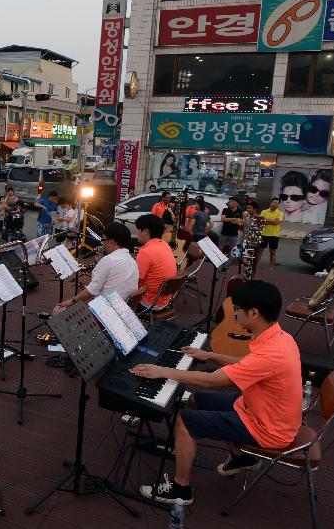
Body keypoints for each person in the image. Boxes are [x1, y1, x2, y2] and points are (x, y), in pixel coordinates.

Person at [132, 280, 301, 505]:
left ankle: (181, 490)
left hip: (268, 428)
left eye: (237, 311)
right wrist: (210, 356)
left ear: (254, 312)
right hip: (260, 410)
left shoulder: (270, 354)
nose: (234, 316)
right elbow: (247, 363)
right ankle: (241, 457)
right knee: (194, 400)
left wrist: (162, 371)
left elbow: (213, 381)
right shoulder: (281, 338)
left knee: (184, 420)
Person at [52, 223, 139, 314]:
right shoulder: (132, 261)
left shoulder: (109, 260)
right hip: (122, 310)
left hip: (105, 313)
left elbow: (90, 291)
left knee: (57, 311)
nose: (102, 243)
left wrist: (71, 301)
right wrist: (100, 264)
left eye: (103, 239)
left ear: (111, 242)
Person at [135, 214, 177, 312]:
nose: (137, 233)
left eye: (138, 229)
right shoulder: (165, 245)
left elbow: (135, 279)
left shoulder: (146, 252)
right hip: (164, 301)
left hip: (148, 303)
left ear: (146, 231)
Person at [255, 198, 284, 271]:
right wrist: (272, 221)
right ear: (270, 203)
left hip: (274, 235)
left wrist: (266, 219)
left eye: (277, 203)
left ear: (278, 205)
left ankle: (271, 267)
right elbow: (261, 222)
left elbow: (277, 223)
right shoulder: (264, 211)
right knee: (259, 251)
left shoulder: (280, 213)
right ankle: (256, 265)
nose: (275, 204)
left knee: (273, 252)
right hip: (263, 234)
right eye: (274, 203)